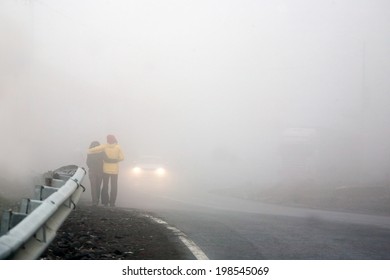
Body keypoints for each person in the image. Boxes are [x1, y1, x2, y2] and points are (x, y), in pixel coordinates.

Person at [88, 135, 124, 207]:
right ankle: (112, 203)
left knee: (104, 186)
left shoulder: (104, 146)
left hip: (105, 170)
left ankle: (104, 201)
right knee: (114, 186)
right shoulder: (118, 147)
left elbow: (91, 152)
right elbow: (122, 158)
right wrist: (116, 160)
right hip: (114, 170)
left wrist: (91, 150)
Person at [86, 141, 104, 206]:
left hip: (92, 171)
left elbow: (87, 162)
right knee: (98, 186)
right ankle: (97, 200)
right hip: (100, 171)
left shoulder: (90, 153)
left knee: (93, 186)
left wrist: (91, 167)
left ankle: (94, 201)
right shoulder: (102, 153)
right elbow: (104, 161)